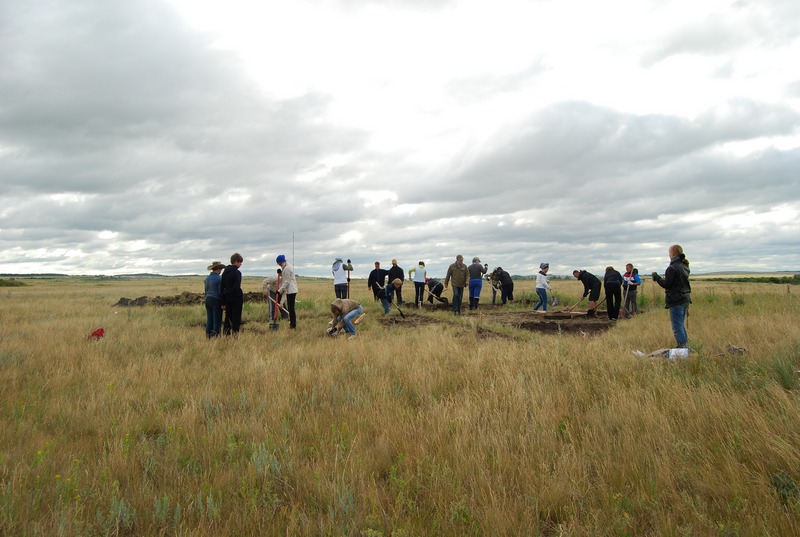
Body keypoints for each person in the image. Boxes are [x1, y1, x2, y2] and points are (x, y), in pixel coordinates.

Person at [652, 244, 692, 348]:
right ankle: (684, 347)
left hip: (676, 299)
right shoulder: (684, 266)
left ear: (673, 254)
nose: (669, 255)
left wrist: (656, 277)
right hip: (685, 298)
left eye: (669, 253)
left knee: (677, 326)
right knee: (680, 324)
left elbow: (666, 284)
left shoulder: (672, 268)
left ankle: (682, 348)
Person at [221, 253, 244, 335]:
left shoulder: (225, 273)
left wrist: (223, 300)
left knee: (228, 317)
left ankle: (226, 334)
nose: (240, 264)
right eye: (240, 262)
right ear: (236, 262)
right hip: (236, 298)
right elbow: (236, 287)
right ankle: (235, 335)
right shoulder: (237, 273)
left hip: (227, 299)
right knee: (236, 318)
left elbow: (222, 287)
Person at [276, 254, 298, 329]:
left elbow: (287, 281)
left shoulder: (287, 268)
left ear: (280, 262)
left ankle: (293, 325)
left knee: (291, 309)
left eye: (278, 263)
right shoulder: (285, 268)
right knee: (290, 308)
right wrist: (280, 273)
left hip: (291, 290)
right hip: (289, 290)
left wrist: (279, 291)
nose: (279, 265)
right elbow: (285, 276)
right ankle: (292, 324)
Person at [204, 261, 225, 338]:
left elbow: (206, 291)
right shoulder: (219, 279)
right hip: (216, 300)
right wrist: (223, 303)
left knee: (209, 319)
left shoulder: (207, 279)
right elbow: (220, 292)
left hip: (208, 299)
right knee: (217, 319)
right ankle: (216, 335)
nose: (221, 271)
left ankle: (208, 335)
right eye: (220, 269)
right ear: (218, 269)